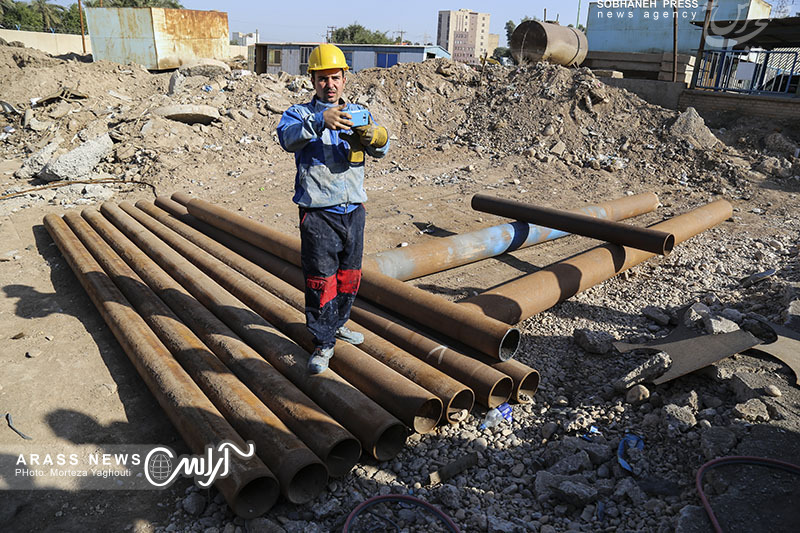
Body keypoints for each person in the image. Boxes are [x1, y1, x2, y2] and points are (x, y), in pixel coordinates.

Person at [276, 44, 389, 374]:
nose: (330, 84)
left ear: (344, 79)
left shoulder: (358, 113)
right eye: (323, 78)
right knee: (320, 280)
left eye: (335, 78)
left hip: (353, 211)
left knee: (349, 277)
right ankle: (323, 342)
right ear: (312, 80)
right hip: (318, 214)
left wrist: (375, 136)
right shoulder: (299, 114)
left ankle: (338, 324)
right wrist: (319, 121)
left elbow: (381, 150)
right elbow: (287, 139)